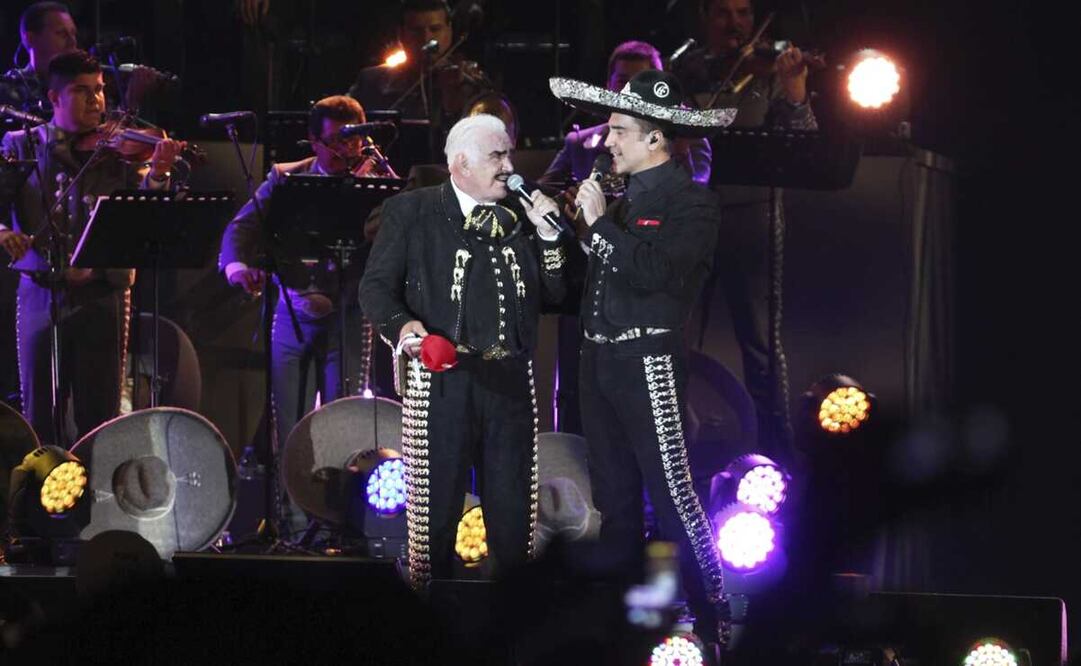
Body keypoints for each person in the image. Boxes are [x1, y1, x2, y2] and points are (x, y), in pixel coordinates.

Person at [549, 68, 736, 645]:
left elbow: (656, 272)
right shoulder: (621, 199)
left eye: (619, 131)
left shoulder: (692, 203)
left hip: (648, 360)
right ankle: (619, 622)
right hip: (598, 360)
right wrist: (563, 233)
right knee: (613, 499)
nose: (607, 142)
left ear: (655, 137)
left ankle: (717, 613)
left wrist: (600, 223)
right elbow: (589, 277)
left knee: (672, 491)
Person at [359, 114, 567, 588]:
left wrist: (550, 236)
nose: (509, 166)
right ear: (460, 164)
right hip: (443, 382)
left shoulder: (521, 215)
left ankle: (513, 636)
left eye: (508, 154)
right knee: (436, 515)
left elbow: (554, 295)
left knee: (513, 517)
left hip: (510, 382)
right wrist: (407, 331)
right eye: (497, 156)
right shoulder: (412, 211)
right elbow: (375, 289)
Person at [0, 50, 183, 445]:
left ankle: (92, 501)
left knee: (99, 419)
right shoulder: (20, 144)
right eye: (82, 92)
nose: (97, 101)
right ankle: (39, 502)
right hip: (41, 290)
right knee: (39, 417)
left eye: (100, 90)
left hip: (105, 293)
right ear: (54, 99)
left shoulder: (118, 151)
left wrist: (159, 174)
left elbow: (147, 207)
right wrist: (2, 231)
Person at [219, 95, 379, 530]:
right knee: (288, 421)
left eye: (355, 140)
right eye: (336, 143)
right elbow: (242, 226)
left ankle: (340, 524)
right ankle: (289, 523)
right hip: (292, 310)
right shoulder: (287, 178)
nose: (347, 151)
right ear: (314, 141)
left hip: (347, 312)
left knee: (344, 420)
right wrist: (237, 267)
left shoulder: (376, 181)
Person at [674, 0, 819, 456]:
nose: (734, 24)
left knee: (759, 343)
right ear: (704, 18)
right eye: (722, 13)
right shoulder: (683, 68)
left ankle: (776, 452)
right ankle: (672, 453)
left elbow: (804, 141)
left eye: (742, 13)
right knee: (674, 338)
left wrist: (795, 91)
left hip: (751, 217)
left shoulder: (772, 70)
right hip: (690, 219)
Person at [540, 40, 712, 189]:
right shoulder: (577, 142)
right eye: (622, 81)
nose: (630, 91)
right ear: (609, 85)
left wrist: (679, 149)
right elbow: (542, 189)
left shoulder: (690, 140)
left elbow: (697, 195)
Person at [0, 2, 165, 119]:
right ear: (30, 39)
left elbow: (111, 148)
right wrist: (130, 103)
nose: (73, 42)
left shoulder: (89, 86)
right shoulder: (11, 89)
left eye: (73, 34)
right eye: (62, 34)